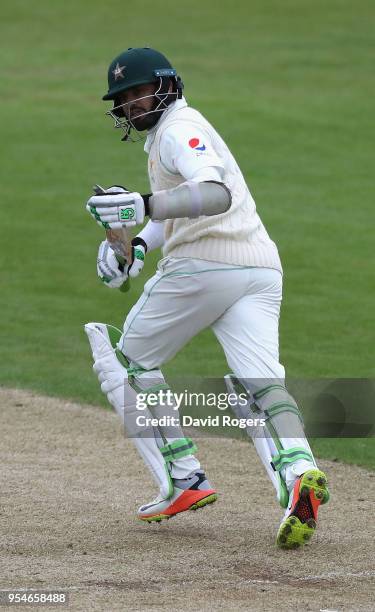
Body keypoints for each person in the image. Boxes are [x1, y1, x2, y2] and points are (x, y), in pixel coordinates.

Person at [85, 47, 329, 549]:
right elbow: (178, 213)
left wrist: (143, 203)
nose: (133, 103)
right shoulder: (169, 134)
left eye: (139, 91)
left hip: (203, 267)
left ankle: (184, 476)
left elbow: (215, 195)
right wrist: (135, 244)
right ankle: (300, 475)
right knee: (259, 385)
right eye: (124, 97)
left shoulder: (179, 129)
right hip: (259, 267)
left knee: (124, 362)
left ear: (167, 84)